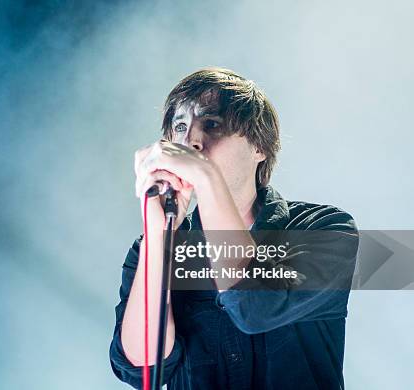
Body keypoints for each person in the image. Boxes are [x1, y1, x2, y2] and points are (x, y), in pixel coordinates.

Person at [109, 68, 359, 389]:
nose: (192, 142)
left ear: (259, 147)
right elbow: (141, 367)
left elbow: (254, 306)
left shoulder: (324, 230)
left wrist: (207, 177)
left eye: (212, 124)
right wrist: (159, 239)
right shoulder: (157, 247)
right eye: (180, 128)